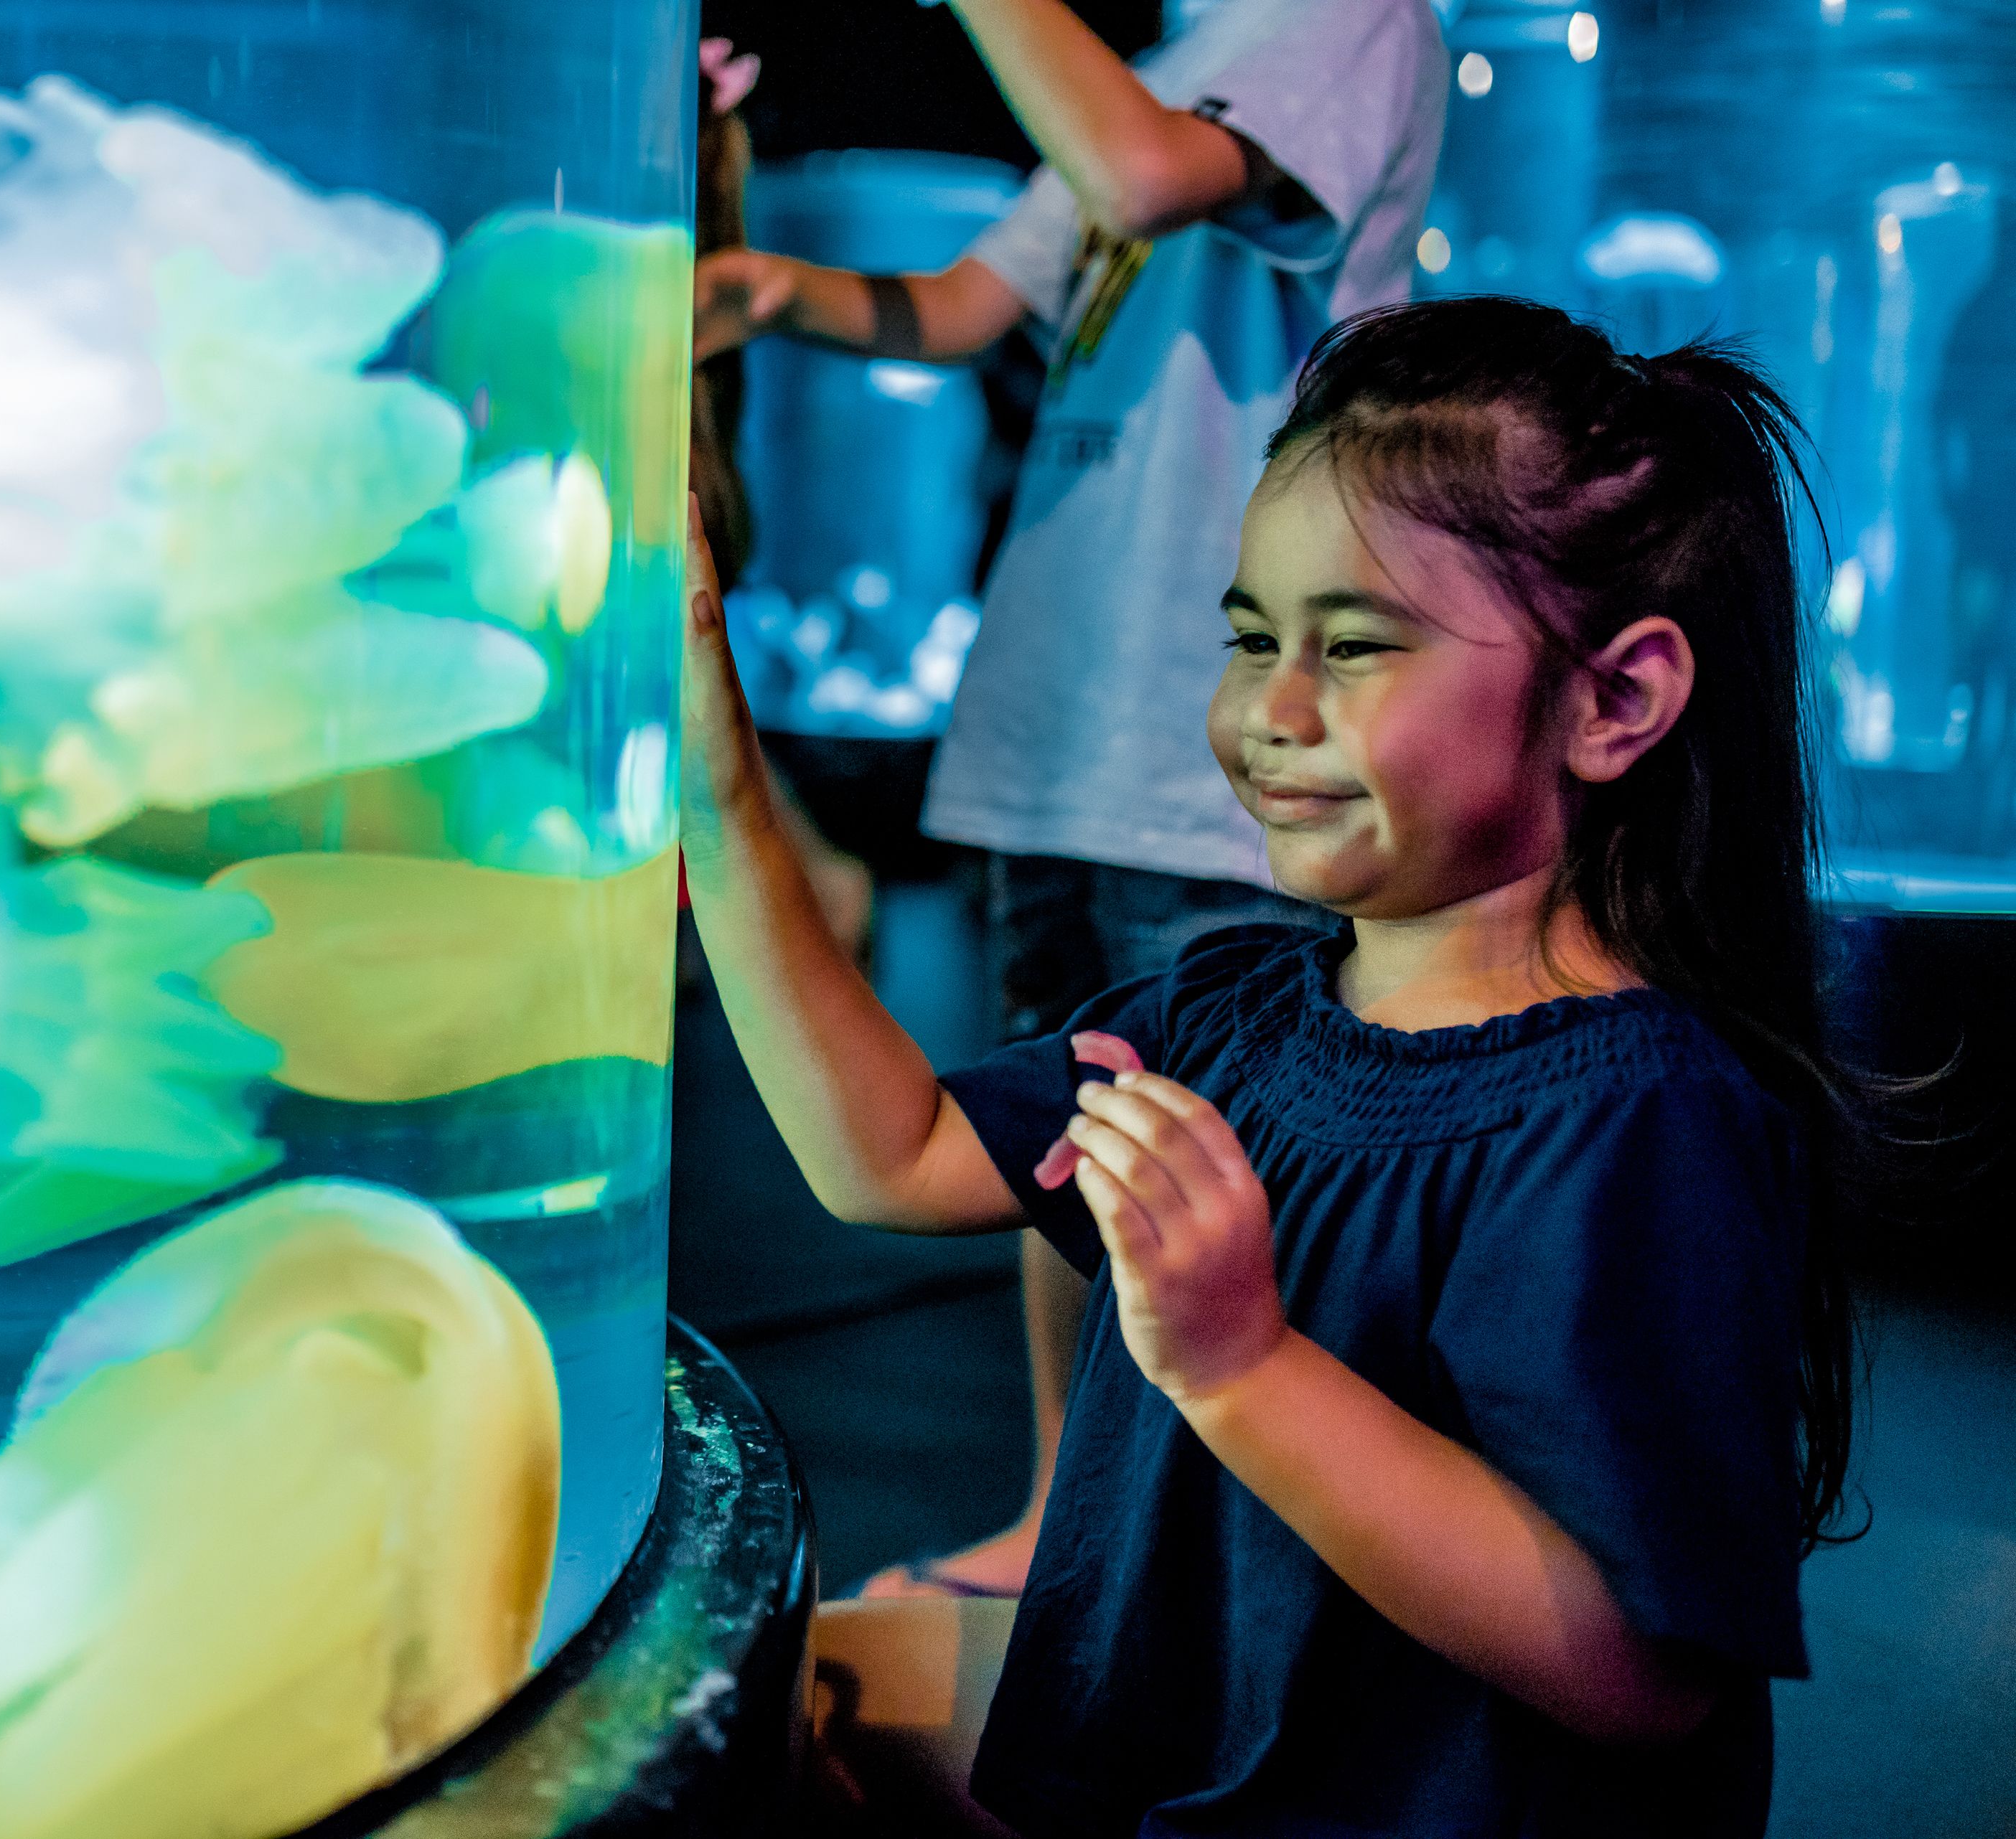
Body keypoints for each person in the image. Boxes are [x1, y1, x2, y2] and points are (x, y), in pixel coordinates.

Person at [678, 294, 1867, 1833]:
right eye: (1252, 639)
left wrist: (1243, 1366)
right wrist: (719, 783)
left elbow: (1640, 1671)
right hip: (1190, 1767)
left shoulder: (1638, 1121)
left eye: (1356, 649)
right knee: (759, 1703)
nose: (1269, 715)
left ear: (1616, 699)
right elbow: (887, 1156)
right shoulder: (1236, 1011)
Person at [694, 0, 1448, 1597]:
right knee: (1071, 1149)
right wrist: (762, 288)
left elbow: (1135, 170)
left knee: (1222, 1165)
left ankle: (1226, 1552)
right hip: (1069, 716)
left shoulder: (1347, 16)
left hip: (1220, 750)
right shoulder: (1172, 57)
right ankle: (1072, 1514)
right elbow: (973, 302)